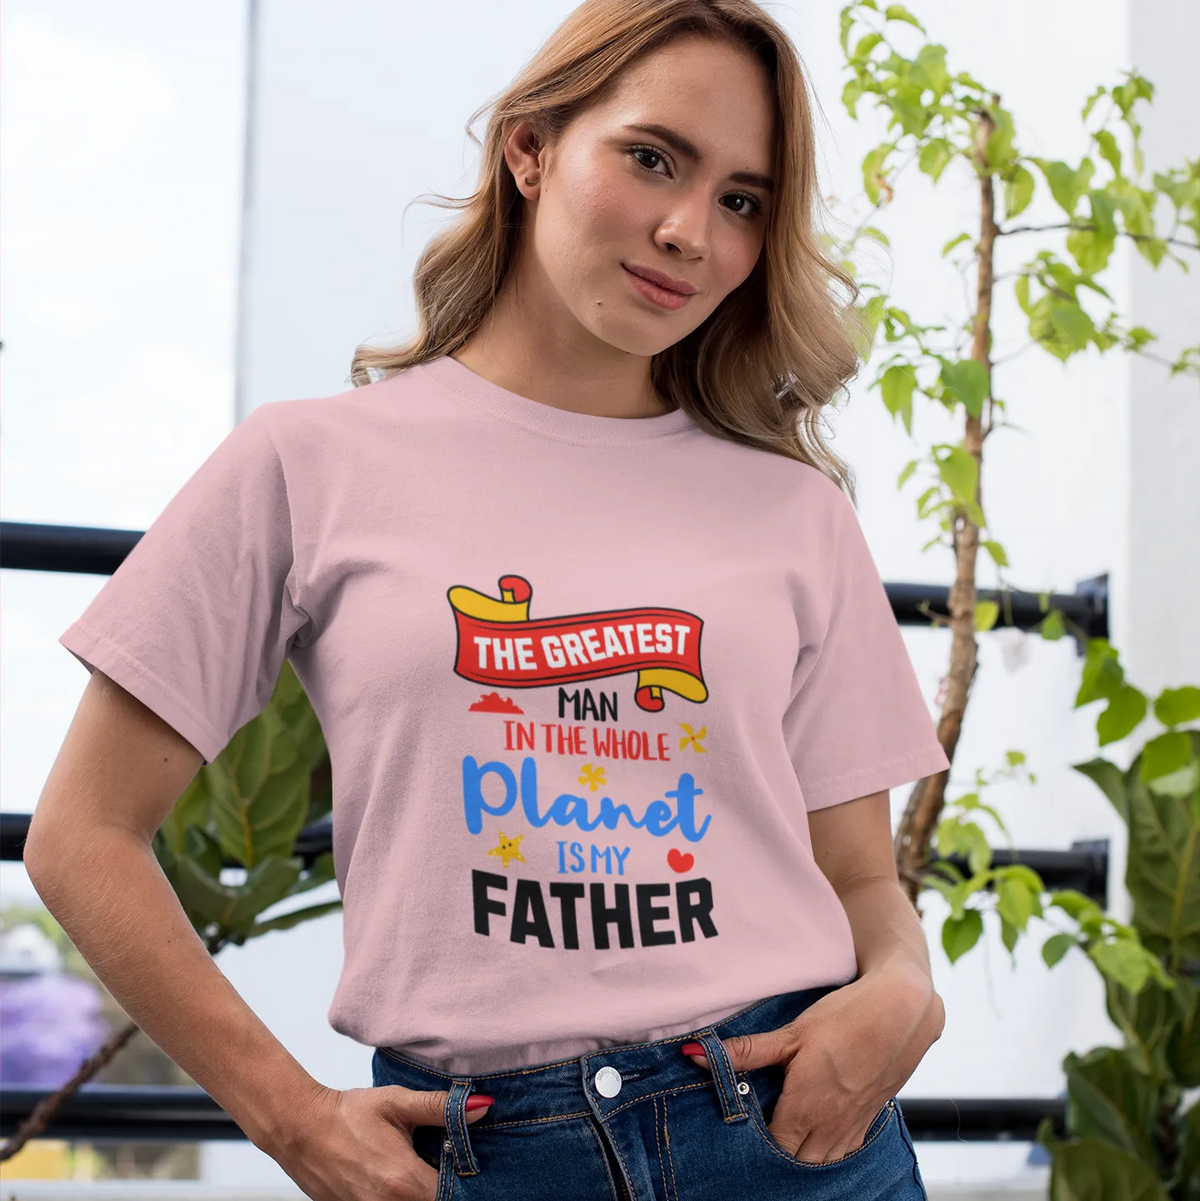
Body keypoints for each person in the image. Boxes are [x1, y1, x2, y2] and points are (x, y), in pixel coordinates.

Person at [28, 1, 953, 1197]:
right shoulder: (306, 464)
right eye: (652, 157)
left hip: (789, 1134)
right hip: (475, 1157)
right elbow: (82, 835)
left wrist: (901, 988)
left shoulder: (794, 510)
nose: (687, 231)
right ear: (529, 149)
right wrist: (289, 1115)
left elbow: (862, 879)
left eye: (742, 200)